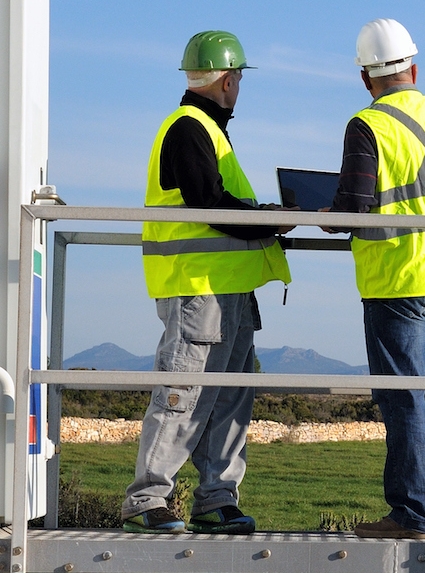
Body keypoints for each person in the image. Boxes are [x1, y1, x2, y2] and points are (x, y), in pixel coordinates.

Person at [122, 31, 293, 534]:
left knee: (230, 395)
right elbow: (208, 204)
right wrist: (270, 221)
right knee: (185, 390)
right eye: (237, 78)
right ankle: (146, 499)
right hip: (199, 289)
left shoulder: (207, 131)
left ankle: (216, 499)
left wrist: (268, 218)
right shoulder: (189, 127)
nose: (238, 87)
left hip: (228, 291)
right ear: (227, 79)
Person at [325, 18, 425, 540]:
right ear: (413, 69)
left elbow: (352, 208)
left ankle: (413, 516)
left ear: (365, 78)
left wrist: (315, 211)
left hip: (398, 280)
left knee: (404, 397)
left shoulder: (367, 125)